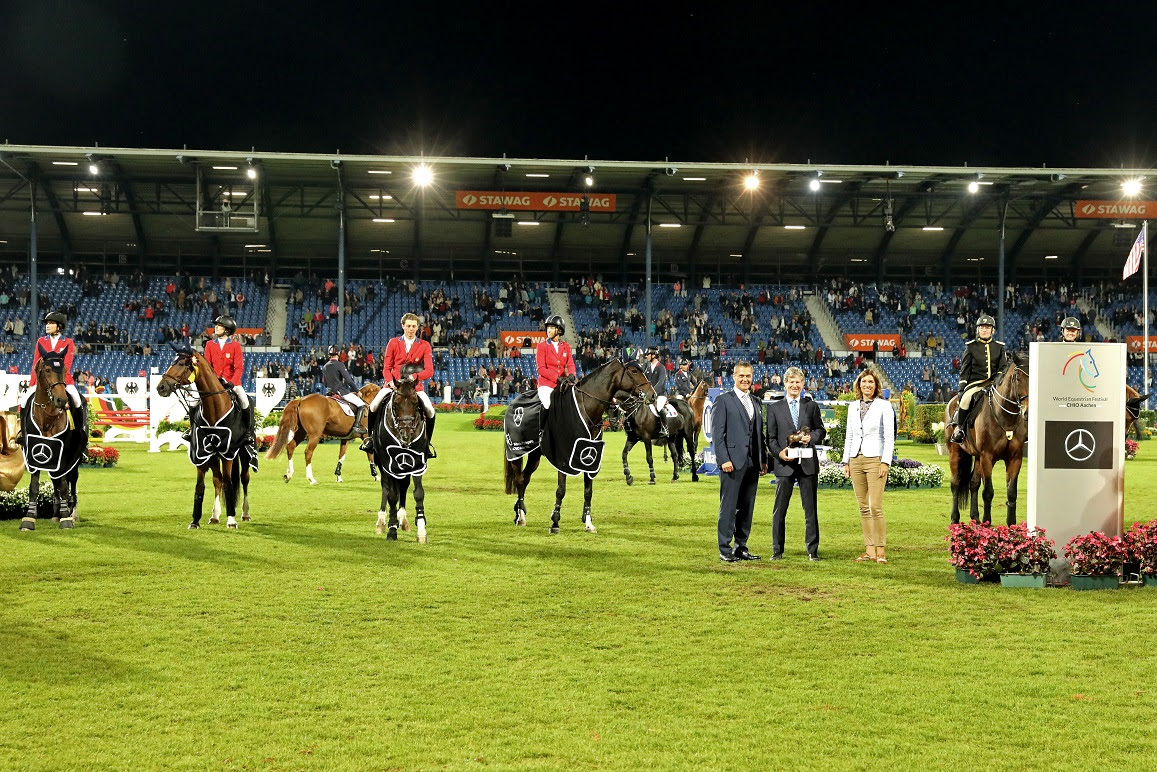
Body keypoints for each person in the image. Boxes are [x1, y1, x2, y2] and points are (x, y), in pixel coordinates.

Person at [765, 366, 826, 560]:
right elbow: (770, 439)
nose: (794, 385)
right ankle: (777, 550)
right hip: (785, 465)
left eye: (798, 382)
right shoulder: (774, 408)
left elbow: (820, 431)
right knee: (779, 510)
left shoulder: (811, 406)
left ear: (802, 384)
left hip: (807, 463)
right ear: (785, 384)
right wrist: (779, 453)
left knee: (810, 509)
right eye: (791, 382)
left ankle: (812, 550)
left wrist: (812, 438)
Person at [840, 370, 896, 564]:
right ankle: (869, 550)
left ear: (876, 385)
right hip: (855, 459)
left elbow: (889, 436)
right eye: (864, 382)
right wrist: (846, 461)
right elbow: (849, 435)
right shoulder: (853, 407)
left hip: (875, 459)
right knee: (863, 507)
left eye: (871, 382)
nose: (867, 385)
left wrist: (885, 462)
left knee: (875, 506)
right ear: (859, 385)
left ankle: (881, 551)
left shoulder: (884, 406)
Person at [713, 361, 766, 562]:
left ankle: (741, 547)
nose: (745, 379)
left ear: (752, 378)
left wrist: (762, 460)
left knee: (747, 507)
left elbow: (758, 434)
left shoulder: (755, 401)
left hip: (752, 463)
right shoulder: (723, 400)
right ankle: (724, 549)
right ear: (734, 377)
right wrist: (723, 459)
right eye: (741, 376)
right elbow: (718, 435)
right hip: (732, 463)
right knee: (728, 506)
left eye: (748, 376)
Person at [364, 312, 437, 455]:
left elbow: (429, 370)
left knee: (430, 409)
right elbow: (386, 367)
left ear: (417, 328)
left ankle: (426, 444)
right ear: (403, 326)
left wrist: (414, 376)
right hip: (393, 384)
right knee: (373, 405)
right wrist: (390, 381)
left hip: (414, 387)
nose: (411, 329)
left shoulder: (425, 345)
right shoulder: (393, 342)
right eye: (408, 326)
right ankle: (370, 439)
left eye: (414, 326)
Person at [197, 315, 257, 466]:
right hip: (214, 383)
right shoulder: (210, 344)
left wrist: (231, 382)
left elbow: (239, 367)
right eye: (216, 325)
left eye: (219, 325)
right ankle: (193, 430)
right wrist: (213, 381)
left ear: (227, 330)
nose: (216, 327)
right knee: (197, 402)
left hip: (232, 382)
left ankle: (248, 433)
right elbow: (207, 366)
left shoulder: (235, 346)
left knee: (245, 400)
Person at [27, 310, 88, 445]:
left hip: (62, 380)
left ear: (59, 326)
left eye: (51, 323)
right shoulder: (41, 341)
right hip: (43, 382)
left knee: (77, 401)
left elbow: (67, 364)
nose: (47, 326)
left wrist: (60, 382)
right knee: (24, 401)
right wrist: (33, 384)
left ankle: (80, 433)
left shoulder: (68, 342)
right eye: (47, 323)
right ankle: (23, 434)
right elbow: (35, 364)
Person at [949, 314, 1006, 443]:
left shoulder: (999, 347)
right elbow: (965, 371)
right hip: (976, 384)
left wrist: (997, 381)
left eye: (987, 327)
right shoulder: (971, 347)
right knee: (964, 401)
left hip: (995, 384)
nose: (984, 330)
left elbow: (1003, 367)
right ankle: (960, 429)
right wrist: (962, 389)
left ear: (993, 330)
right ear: (977, 330)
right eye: (982, 327)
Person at [322, 345, 367, 435]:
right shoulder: (340, 365)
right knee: (362, 404)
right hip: (340, 391)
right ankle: (356, 427)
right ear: (338, 353)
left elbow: (325, 383)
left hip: (329, 393)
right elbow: (349, 380)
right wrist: (357, 391)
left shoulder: (325, 366)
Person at [535, 314, 576, 410]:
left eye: (552, 328)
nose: (548, 330)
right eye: (548, 327)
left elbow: (570, 364)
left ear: (559, 330)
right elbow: (541, 369)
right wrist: (557, 378)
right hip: (546, 385)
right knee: (549, 405)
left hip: (563, 384)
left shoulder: (566, 346)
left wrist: (572, 375)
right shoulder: (542, 346)